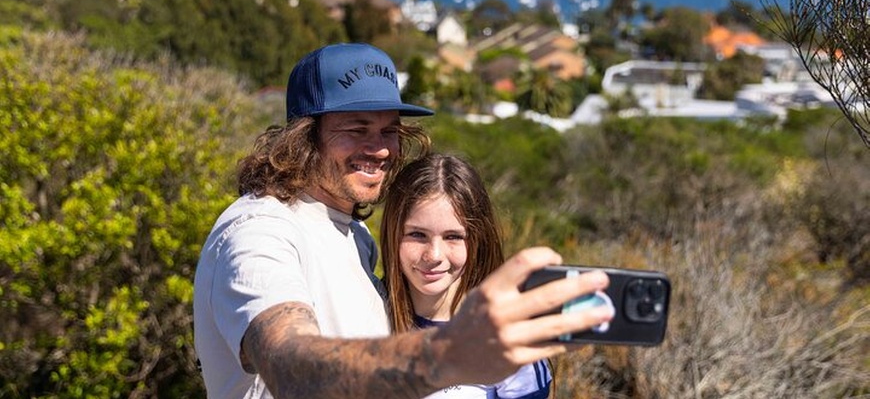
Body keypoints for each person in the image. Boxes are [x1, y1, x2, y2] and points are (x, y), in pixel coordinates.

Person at [193, 42, 614, 398]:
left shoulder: (354, 234)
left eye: (389, 130)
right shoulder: (260, 230)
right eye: (356, 128)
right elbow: (288, 362)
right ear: (304, 135)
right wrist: (449, 354)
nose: (379, 149)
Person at [381, 153, 552, 398]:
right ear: (392, 233)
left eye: (453, 237)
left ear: (477, 240)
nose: (434, 255)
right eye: (417, 234)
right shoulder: (369, 311)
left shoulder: (506, 334)